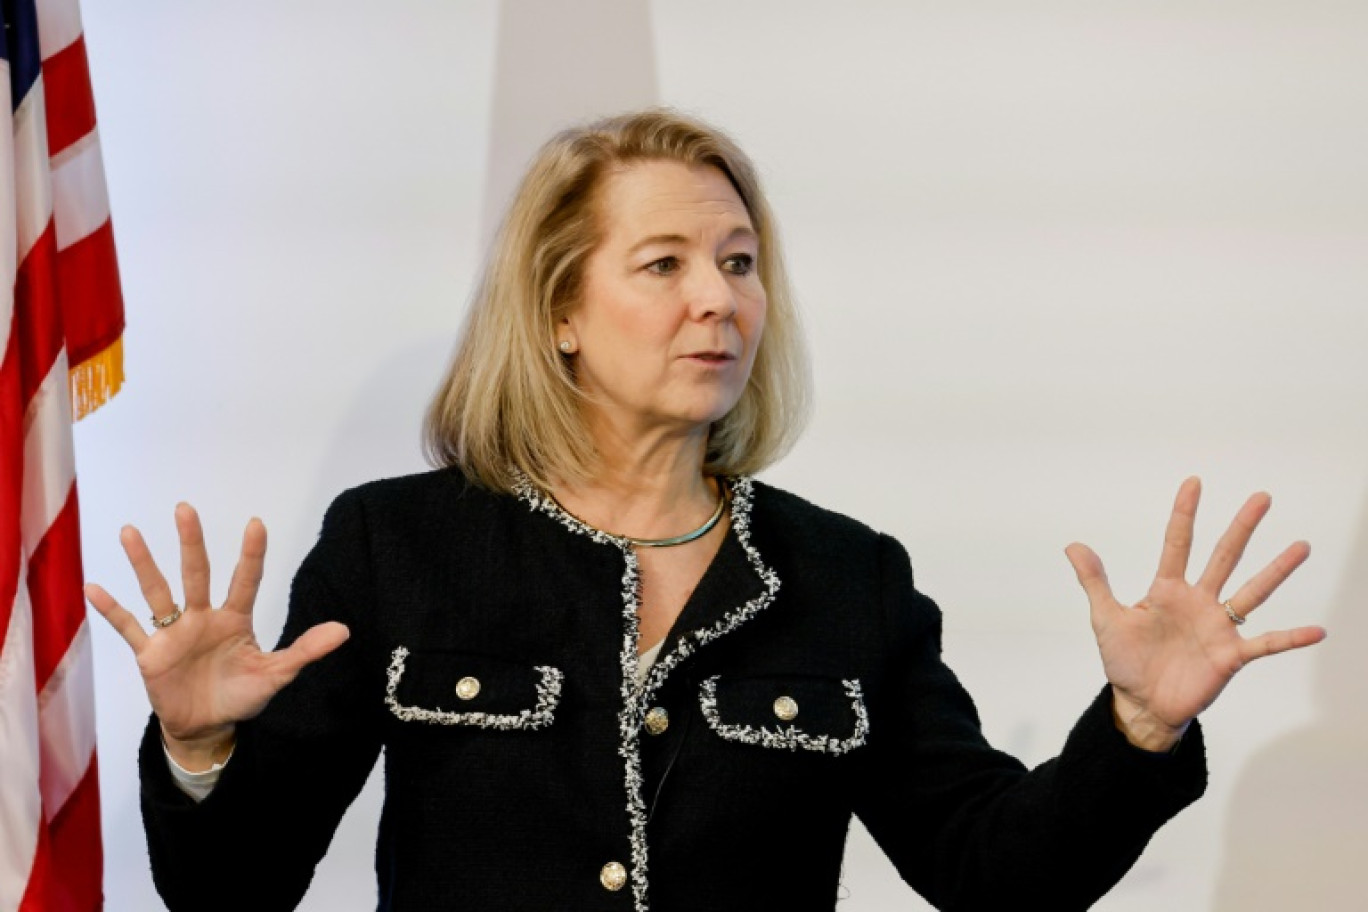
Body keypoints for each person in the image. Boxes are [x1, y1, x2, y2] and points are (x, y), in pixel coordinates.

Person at [87, 108, 1326, 912]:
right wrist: (199, 752)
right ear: (560, 312)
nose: (718, 302)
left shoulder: (851, 579)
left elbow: (992, 872)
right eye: (665, 263)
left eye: (739, 264)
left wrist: (1139, 727)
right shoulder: (396, 546)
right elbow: (230, 893)